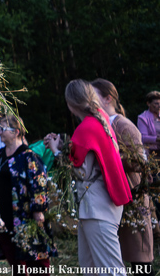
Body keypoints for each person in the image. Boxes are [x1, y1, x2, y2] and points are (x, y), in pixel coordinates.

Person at [45, 80, 131, 272]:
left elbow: (81, 172)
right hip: (98, 204)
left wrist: (56, 151)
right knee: (89, 266)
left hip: (97, 207)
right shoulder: (101, 118)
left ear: (70, 104)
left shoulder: (86, 128)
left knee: (110, 269)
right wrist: (61, 145)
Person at [92, 79, 154, 275]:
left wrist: (110, 156)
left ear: (108, 98)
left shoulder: (123, 124)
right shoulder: (101, 124)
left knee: (140, 260)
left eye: (93, 97)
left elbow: (140, 162)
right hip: (117, 199)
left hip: (133, 197)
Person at [0, 115, 56, 275]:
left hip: (25, 218)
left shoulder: (28, 156)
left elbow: (39, 182)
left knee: (36, 263)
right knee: (15, 262)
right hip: (4, 217)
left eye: (3, 129)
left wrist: (38, 210)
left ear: (16, 132)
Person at [136, 90, 160, 156]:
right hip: (152, 153)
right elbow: (143, 137)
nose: (159, 106)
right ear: (148, 104)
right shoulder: (143, 118)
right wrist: (157, 139)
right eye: (156, 103)